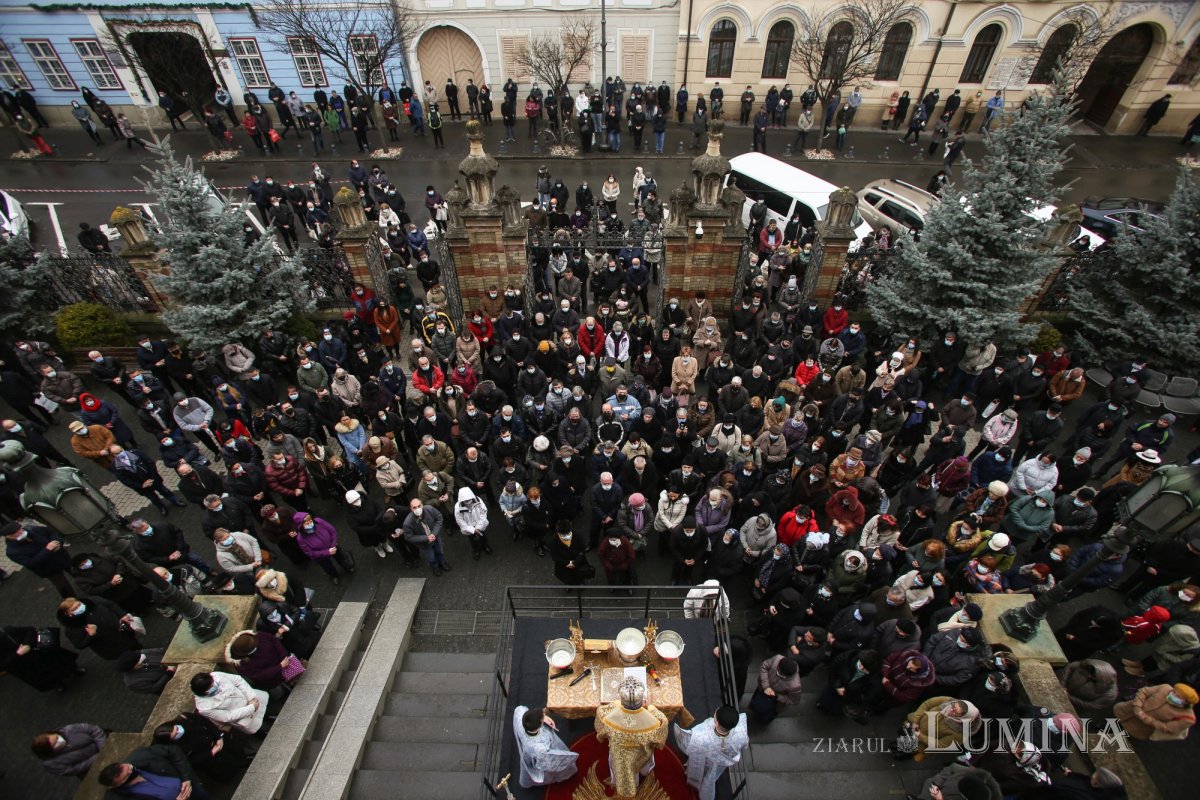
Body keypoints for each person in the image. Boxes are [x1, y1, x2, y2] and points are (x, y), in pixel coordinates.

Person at [595, 677, 669, 798]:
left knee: (616, 766)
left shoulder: (607, 718)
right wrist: (651, 707)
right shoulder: (655, 723)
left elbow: (600, 722)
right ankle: (642, 772)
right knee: (642, 766)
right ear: (642, 700)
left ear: (621, 698)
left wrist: (616, 704)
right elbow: (661, 736)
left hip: (618, 756)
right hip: (641, 756)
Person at [674, 705, 749, 800]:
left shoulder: (700, 735)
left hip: (705, 762)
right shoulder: (741, 733)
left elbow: (687, 747)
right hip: (721, 764)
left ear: (716, 721)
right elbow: (744, 744)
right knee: (713, 773)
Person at [98, 744, 211, 800]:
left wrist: (186, 778)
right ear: (116, 785)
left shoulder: (141, 756)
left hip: (192, 788)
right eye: (126, 776)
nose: (131, 771)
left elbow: (173, 751)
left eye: (129, 768)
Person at [512, 705, 579, 789]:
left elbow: (519, 709)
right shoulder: (539, 749)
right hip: (544, 753)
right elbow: (551, 762)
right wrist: (568, 758)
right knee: (562, 769)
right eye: (542, 718)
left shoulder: (521, 717)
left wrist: (545, 717)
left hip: (528, 751)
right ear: (539, 725)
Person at [191, 671, 269, 736]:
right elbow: (227, 716)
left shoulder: (215, 676)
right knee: (256, 725)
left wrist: (251, 697)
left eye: (213, 682)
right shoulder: (204, 708)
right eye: (211, 686)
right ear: (205, 692)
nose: (215, 684)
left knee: (262, 710)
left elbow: (238, 680)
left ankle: (268, 717)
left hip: (249, 699)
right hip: (242, 714)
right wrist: (251, 708)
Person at [1113, 682, 1197, 740]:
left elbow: (1168, 728)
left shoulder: (1187, 718)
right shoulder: (1165, 688)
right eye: (1174, 692)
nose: (1173, 695)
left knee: (1116, 738)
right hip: (1126, 711)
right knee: (1110, 722)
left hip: (1138, 729)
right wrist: (1137, 706)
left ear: (1186, 702)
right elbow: (1144, 691)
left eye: (1178, 696)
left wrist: (1146, 719)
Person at [32, 723, 107, 778]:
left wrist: (103, 749)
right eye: (55, 743)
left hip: (104, 745)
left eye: (57, 737)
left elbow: (94, 730)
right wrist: (99, 757)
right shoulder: (51, 764)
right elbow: (74, 769)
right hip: (94, 767)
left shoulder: (68, 730)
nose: (60, 740)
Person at [749, 655, 803, 723]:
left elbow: (793, 700)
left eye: (780, 675)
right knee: (755, 701)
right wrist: (766, 686)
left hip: (775, 702)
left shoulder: (795, 686)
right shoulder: (777, 659)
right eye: (777, 671)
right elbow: (764, 666)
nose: (777, 673)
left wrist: (776, 696)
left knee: (767, 715)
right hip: (762, 688)